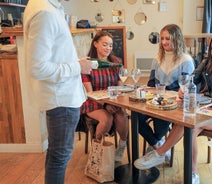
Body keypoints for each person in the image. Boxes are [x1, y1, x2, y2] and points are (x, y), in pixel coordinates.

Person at [134, 30, 212, 184]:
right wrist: (186, 87)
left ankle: (165, 155)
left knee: (192, 125)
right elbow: (192, 77)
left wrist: (205, 97)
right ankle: (172, 159)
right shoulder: (208, 62)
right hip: (207, 108)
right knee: (187, 122)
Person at [24, 0, 93, 183]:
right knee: (60, 157)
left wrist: (74, 61)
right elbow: (37, 68)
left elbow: (53, 56)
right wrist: (77, 67)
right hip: (61, 98)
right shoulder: (45, 12)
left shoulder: (47, 7)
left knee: (57, 154)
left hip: (61, 96)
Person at [138, 24, 194, 161]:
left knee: (160, 123)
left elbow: (187, 88)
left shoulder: (186, 60)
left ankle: (158, 147)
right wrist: (146, 90)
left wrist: (168, 95)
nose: (163, 42)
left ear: (177, 39)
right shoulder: (157, 58)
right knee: (136, 117)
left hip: (175, 104)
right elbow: (151, 83)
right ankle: (158, 145)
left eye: (168, 38)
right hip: (157, 101)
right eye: (162, 38)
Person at [80, 30, 129, 162]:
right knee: (106, 119)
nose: (108, 48)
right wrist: (105, 104)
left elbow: (120, 86)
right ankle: (97, 149)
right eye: (105, 44)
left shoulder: (116, 62)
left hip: (113, 100)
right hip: (93, 102)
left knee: (122, 117)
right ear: (95, 44)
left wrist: (114, 102)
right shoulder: (87, 64)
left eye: (111, 45)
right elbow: (89, 92)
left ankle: (122, 146)